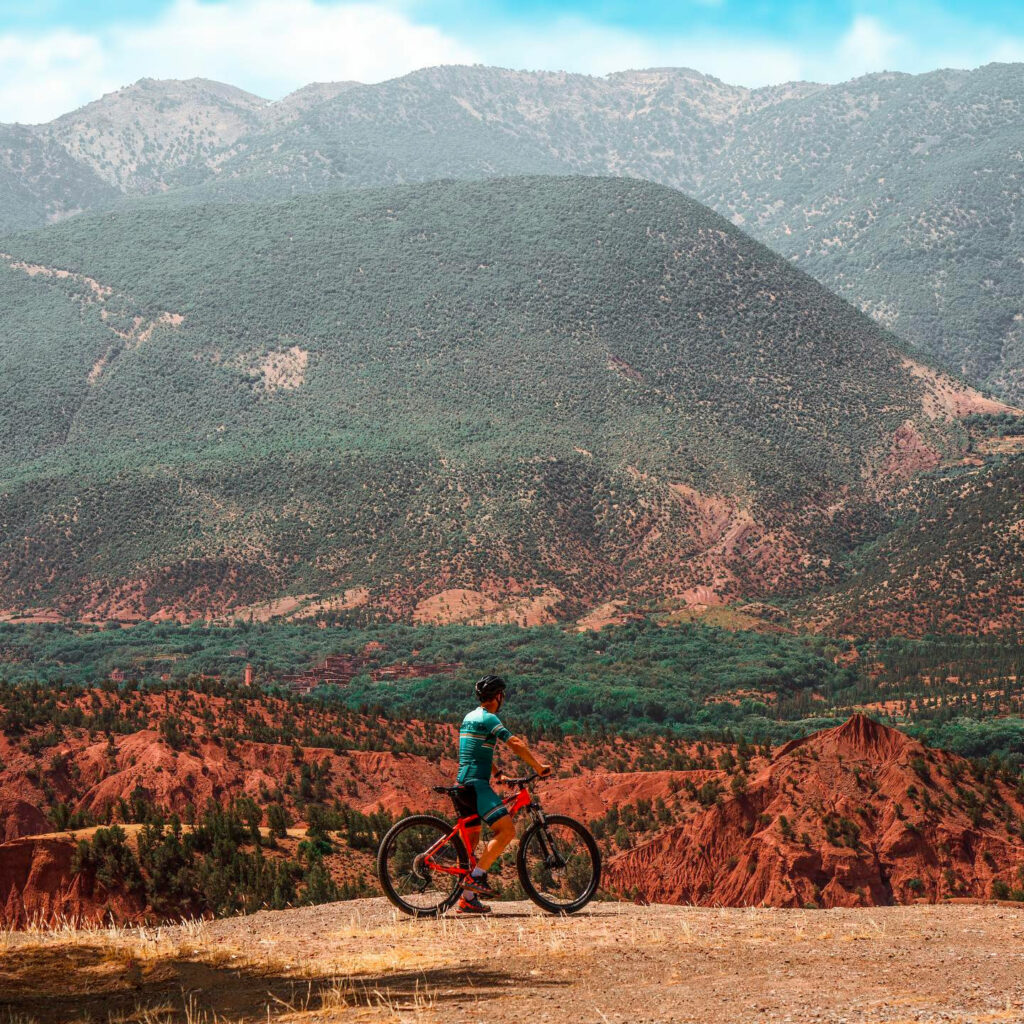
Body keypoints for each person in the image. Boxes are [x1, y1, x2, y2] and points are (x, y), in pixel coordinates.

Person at [453, 674, 551, 915]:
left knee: (470, 846)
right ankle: (477, 877)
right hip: (477, 785)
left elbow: (475, 751)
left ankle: (467, 899)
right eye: (502, 695)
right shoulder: (489, 718)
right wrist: (538, 767)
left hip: (461, 784)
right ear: (497, 696)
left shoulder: (469, 717)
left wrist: (498, 774)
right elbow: (514, 743)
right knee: (506, 831)